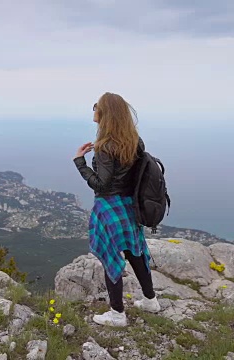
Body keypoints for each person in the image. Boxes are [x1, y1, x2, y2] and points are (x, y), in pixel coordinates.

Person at [72, 92, 161, 327]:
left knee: (111, 258)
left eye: (96, 107)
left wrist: (80, 161)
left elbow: (101, 184)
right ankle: (151, 300)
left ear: (104, 113)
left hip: (109, 207)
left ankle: (117, 314)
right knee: (136, 253)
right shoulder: (134, 141)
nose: (94, 110)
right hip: (129, 206)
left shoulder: (104, 147)